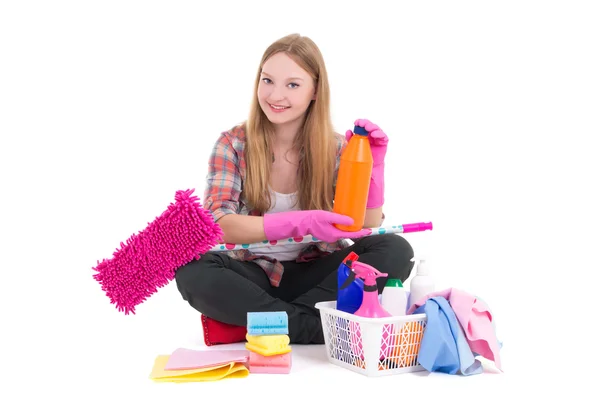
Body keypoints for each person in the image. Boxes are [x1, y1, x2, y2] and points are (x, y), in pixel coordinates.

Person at [175, 33, 415, 345]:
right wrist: (299, 222)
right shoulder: (232, 143)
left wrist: (375, 167)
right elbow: (219, 226)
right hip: (251, 275)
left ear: (315, 90)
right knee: (191, 267)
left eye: (292, 84)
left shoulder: (336, 148)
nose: (275, 94)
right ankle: (317, 327)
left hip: (317, 273)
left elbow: (366, 225)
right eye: (267, 80)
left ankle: (271, 323)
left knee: (395, 249)